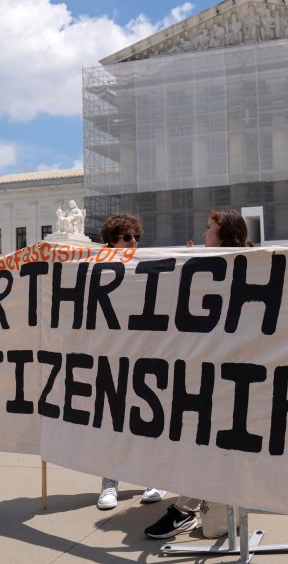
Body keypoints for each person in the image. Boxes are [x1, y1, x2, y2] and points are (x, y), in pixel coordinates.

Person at [144, 208, 249, 539]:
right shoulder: (206, 267)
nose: (203, 234)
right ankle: (191, 508)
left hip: (229, 377)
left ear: (224, 232)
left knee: (210, 446)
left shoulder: (247, 266)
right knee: (204, 446)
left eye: (208, 228)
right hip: (205, 375)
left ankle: (185, 509)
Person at [96, 212, 166, 510]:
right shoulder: (94, 269)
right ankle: (110, 483)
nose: (134, 242)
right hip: (111, 355)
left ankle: (155, 477)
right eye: (127, 238)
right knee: (113, 422)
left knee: (151, 417)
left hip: (146, 355)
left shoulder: (147, 265)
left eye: (136, 237)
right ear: (111, 241)